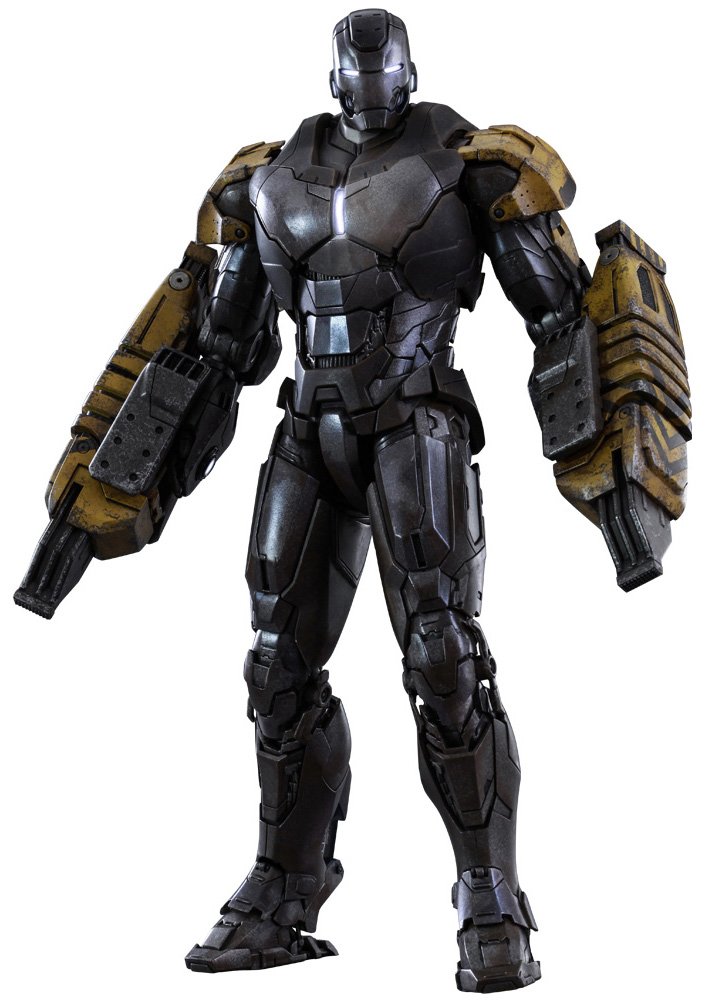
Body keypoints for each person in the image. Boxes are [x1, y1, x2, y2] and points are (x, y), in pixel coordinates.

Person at [15, 8, 689, 993]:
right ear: (333, 77)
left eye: (384, 72)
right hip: (307, 428)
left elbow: (566, 322)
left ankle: (490, 894)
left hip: (417, 421)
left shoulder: (474, 165)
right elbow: (207, 353)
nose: (370, 86)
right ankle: (285, 888)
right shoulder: (264, 180)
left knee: (444, 656)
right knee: (274, 666)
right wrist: (85, 519)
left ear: (409, 73)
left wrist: (622, 494)